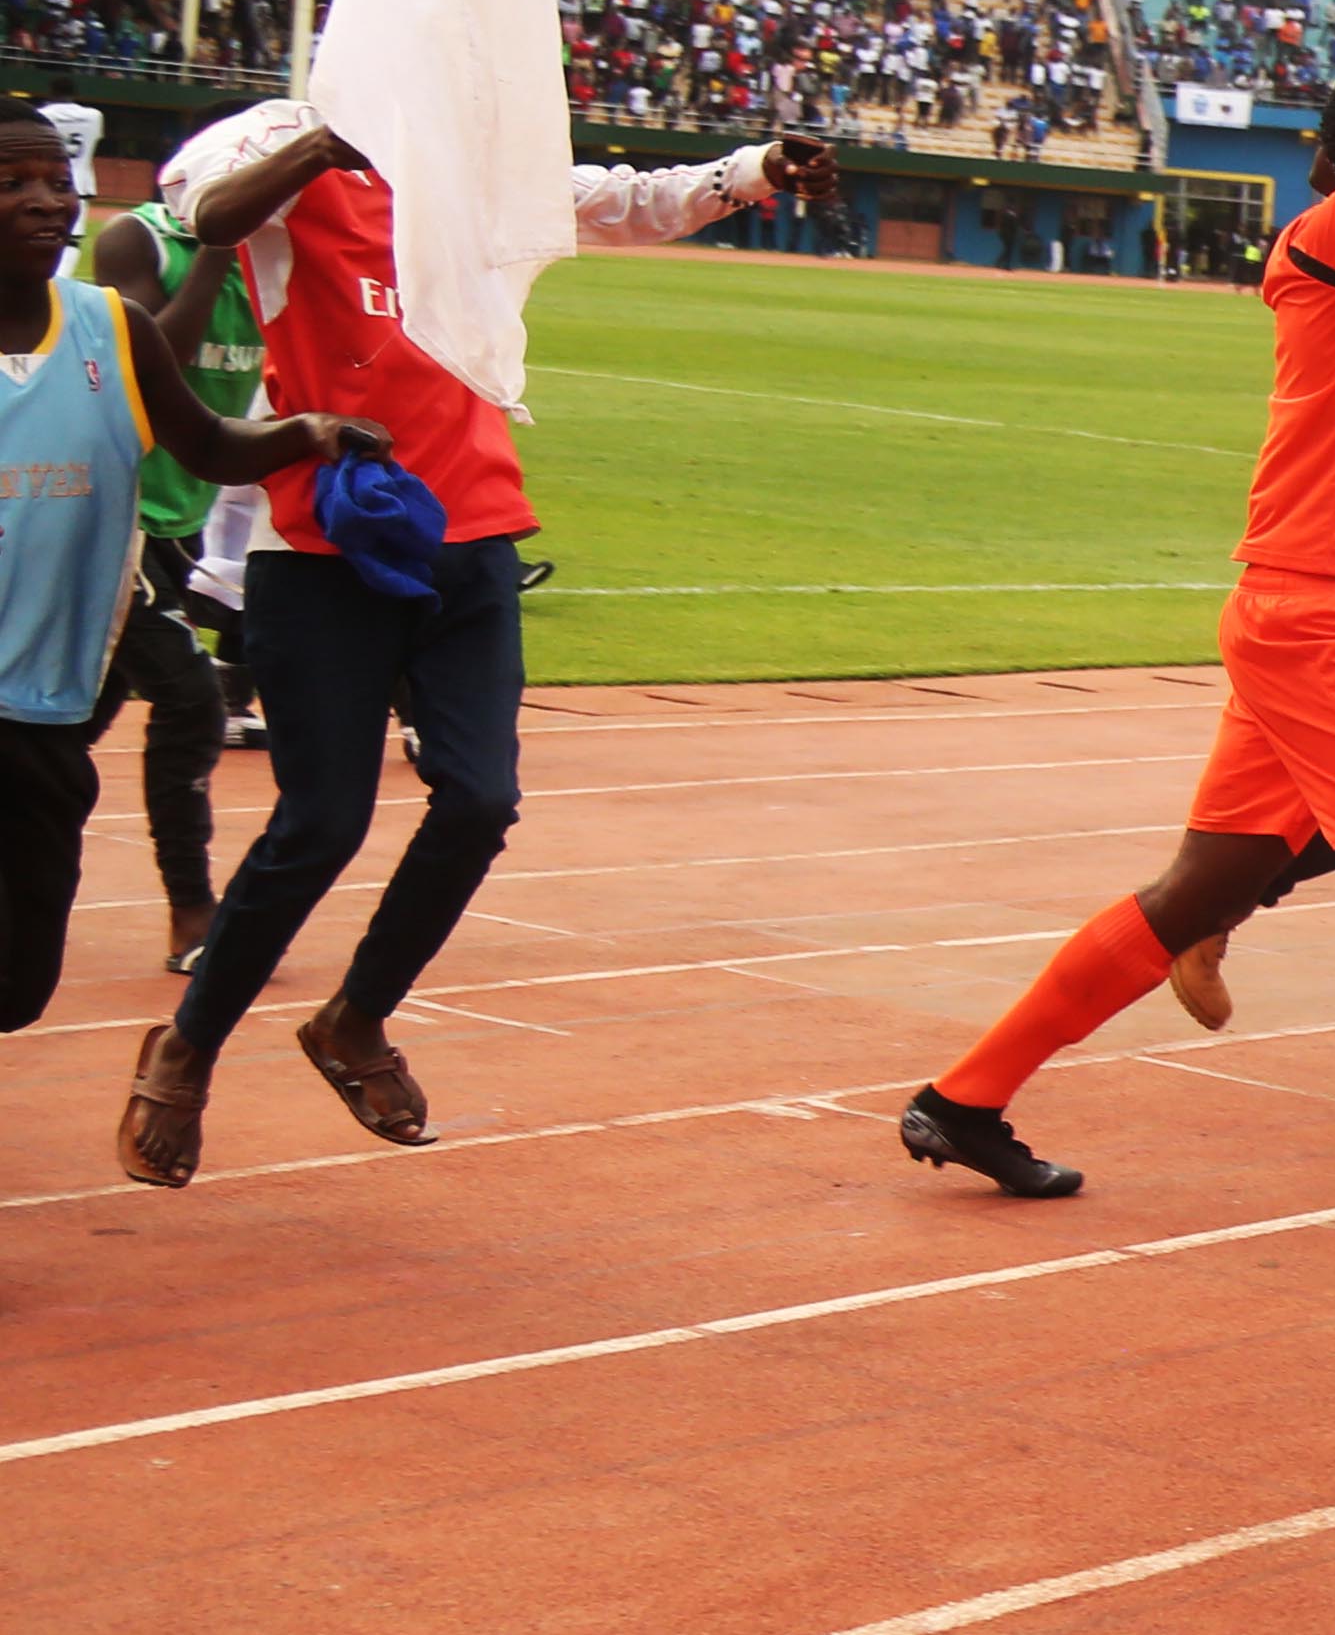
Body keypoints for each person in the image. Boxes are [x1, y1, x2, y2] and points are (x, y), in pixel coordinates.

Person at [895, 0, 1335, 1222]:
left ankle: (965, 1098)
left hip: (1323, 613)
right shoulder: (1331, 247)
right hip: (1322, 620)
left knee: (1198, 892)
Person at [105, 107, 816, 1182]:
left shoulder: (481, 173)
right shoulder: (293, 155)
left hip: (471, 542)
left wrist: (755, 169)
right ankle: (189, 1045)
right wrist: (320, 142)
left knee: (481, 800)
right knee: (320, 826)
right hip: (323, 550)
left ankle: (356, 1018)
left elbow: (628, 201)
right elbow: (200, 207)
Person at [3, 114, 373, 1050]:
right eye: (15, 183)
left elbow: (206, 443)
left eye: (56, 180)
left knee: (18, 980)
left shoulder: (108, 327)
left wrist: (307, 433)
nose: (47, 201)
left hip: (49, 709)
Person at [80, 131, 271, 969]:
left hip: (175, 515)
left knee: (73, 722)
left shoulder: (282, 261)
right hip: (102, 515)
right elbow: (149, 356)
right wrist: (217, 253)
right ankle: (194, 913)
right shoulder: (139, 238)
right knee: (191, 701)